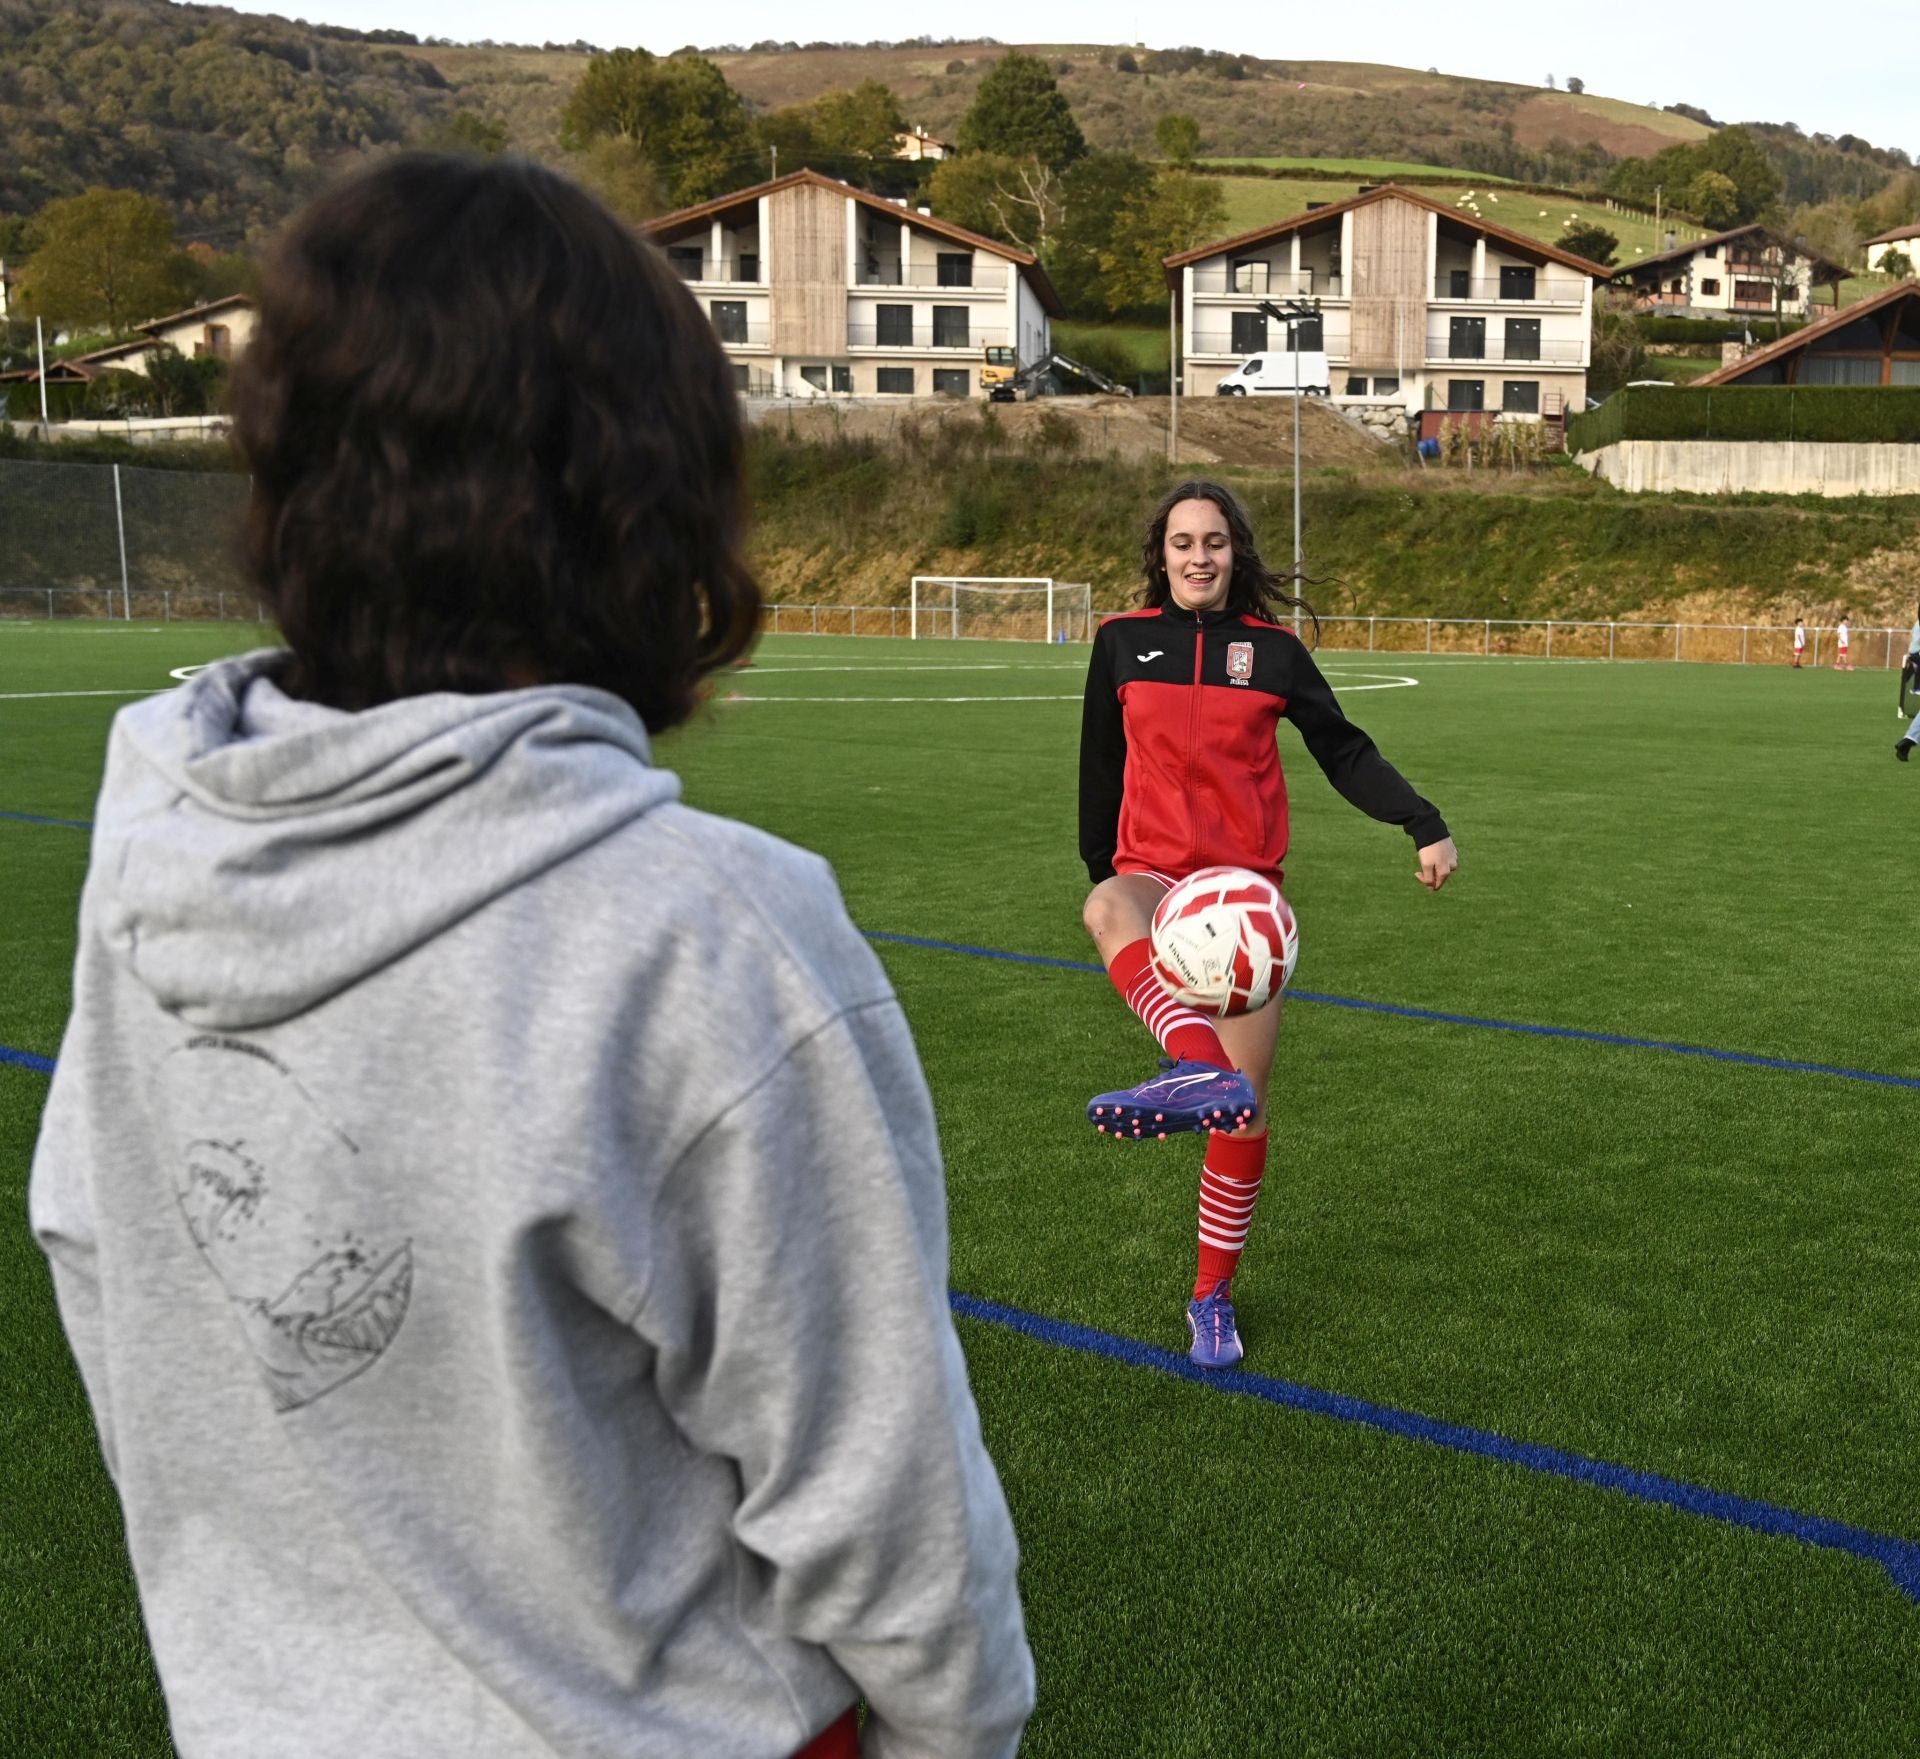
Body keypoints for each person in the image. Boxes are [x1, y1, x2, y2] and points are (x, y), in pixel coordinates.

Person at [29, 155, 1033, 1759]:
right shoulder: (712, 930)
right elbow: (882, 1504)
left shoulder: (147, 865)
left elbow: (98, 1261)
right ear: (654, 499)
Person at [1077, 480, 1458, 1370]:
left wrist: (1423, 820)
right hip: (1154, 879)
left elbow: (1343, 748)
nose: (1198, 557)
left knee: (1242, 1119)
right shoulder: (1121, 642)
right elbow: (1100, 757)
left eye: (1213, 542)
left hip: (1244, 909)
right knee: (1102, 907)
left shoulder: (1274, 652)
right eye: (1182, 542)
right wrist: (1108, 864)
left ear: (1235, 554)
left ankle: (1210, 1296)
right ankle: (1192, 1064)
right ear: (1160, 554)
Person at [1899, 604, 1920, 717]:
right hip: (1916, 652)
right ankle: (1916, 687)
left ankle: (1909, 685)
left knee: (1907, 677)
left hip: (1912, 651)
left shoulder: (1916, 623)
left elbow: (1912, 635)